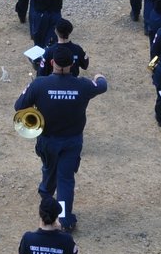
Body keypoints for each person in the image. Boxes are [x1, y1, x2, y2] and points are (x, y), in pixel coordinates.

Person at [13, 53, 107, 231]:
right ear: (73, 63)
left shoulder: (39, 84)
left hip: (48, 139)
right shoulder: (83, 85)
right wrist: (99, 76)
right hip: (72, 141)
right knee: (65, 179)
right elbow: (102, 86)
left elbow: (19, 106)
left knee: (49, 168)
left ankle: (46, 194)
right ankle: (64, 220)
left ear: (51, 62)